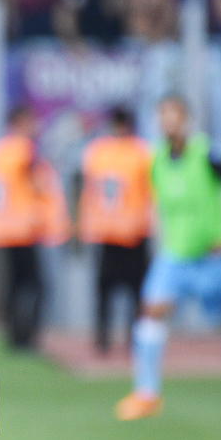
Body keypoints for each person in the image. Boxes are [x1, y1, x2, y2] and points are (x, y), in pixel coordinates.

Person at [116, 96, 221, 421]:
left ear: (187, 119)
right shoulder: (158, 159)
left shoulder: (207, 153)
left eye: (174, 115)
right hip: (175, 255)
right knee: (150, 310)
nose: (168, 122)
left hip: (214, 256)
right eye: (162, 115)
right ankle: (146, 393)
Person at [0, 106, 70, 349]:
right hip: (23, 228)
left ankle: (14, 334)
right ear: (20, 122)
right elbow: (37, 182)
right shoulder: (25, 150)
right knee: (37, 285)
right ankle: (28, 335)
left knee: (14, 284)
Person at [78, 107, 152, 354]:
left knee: (110, 292)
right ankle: (126, 340)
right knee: (132, 292)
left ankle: (107, 339)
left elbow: (87, 189)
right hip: (129, 232)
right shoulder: (141, 152)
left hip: (112, 231)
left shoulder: (98, 151)